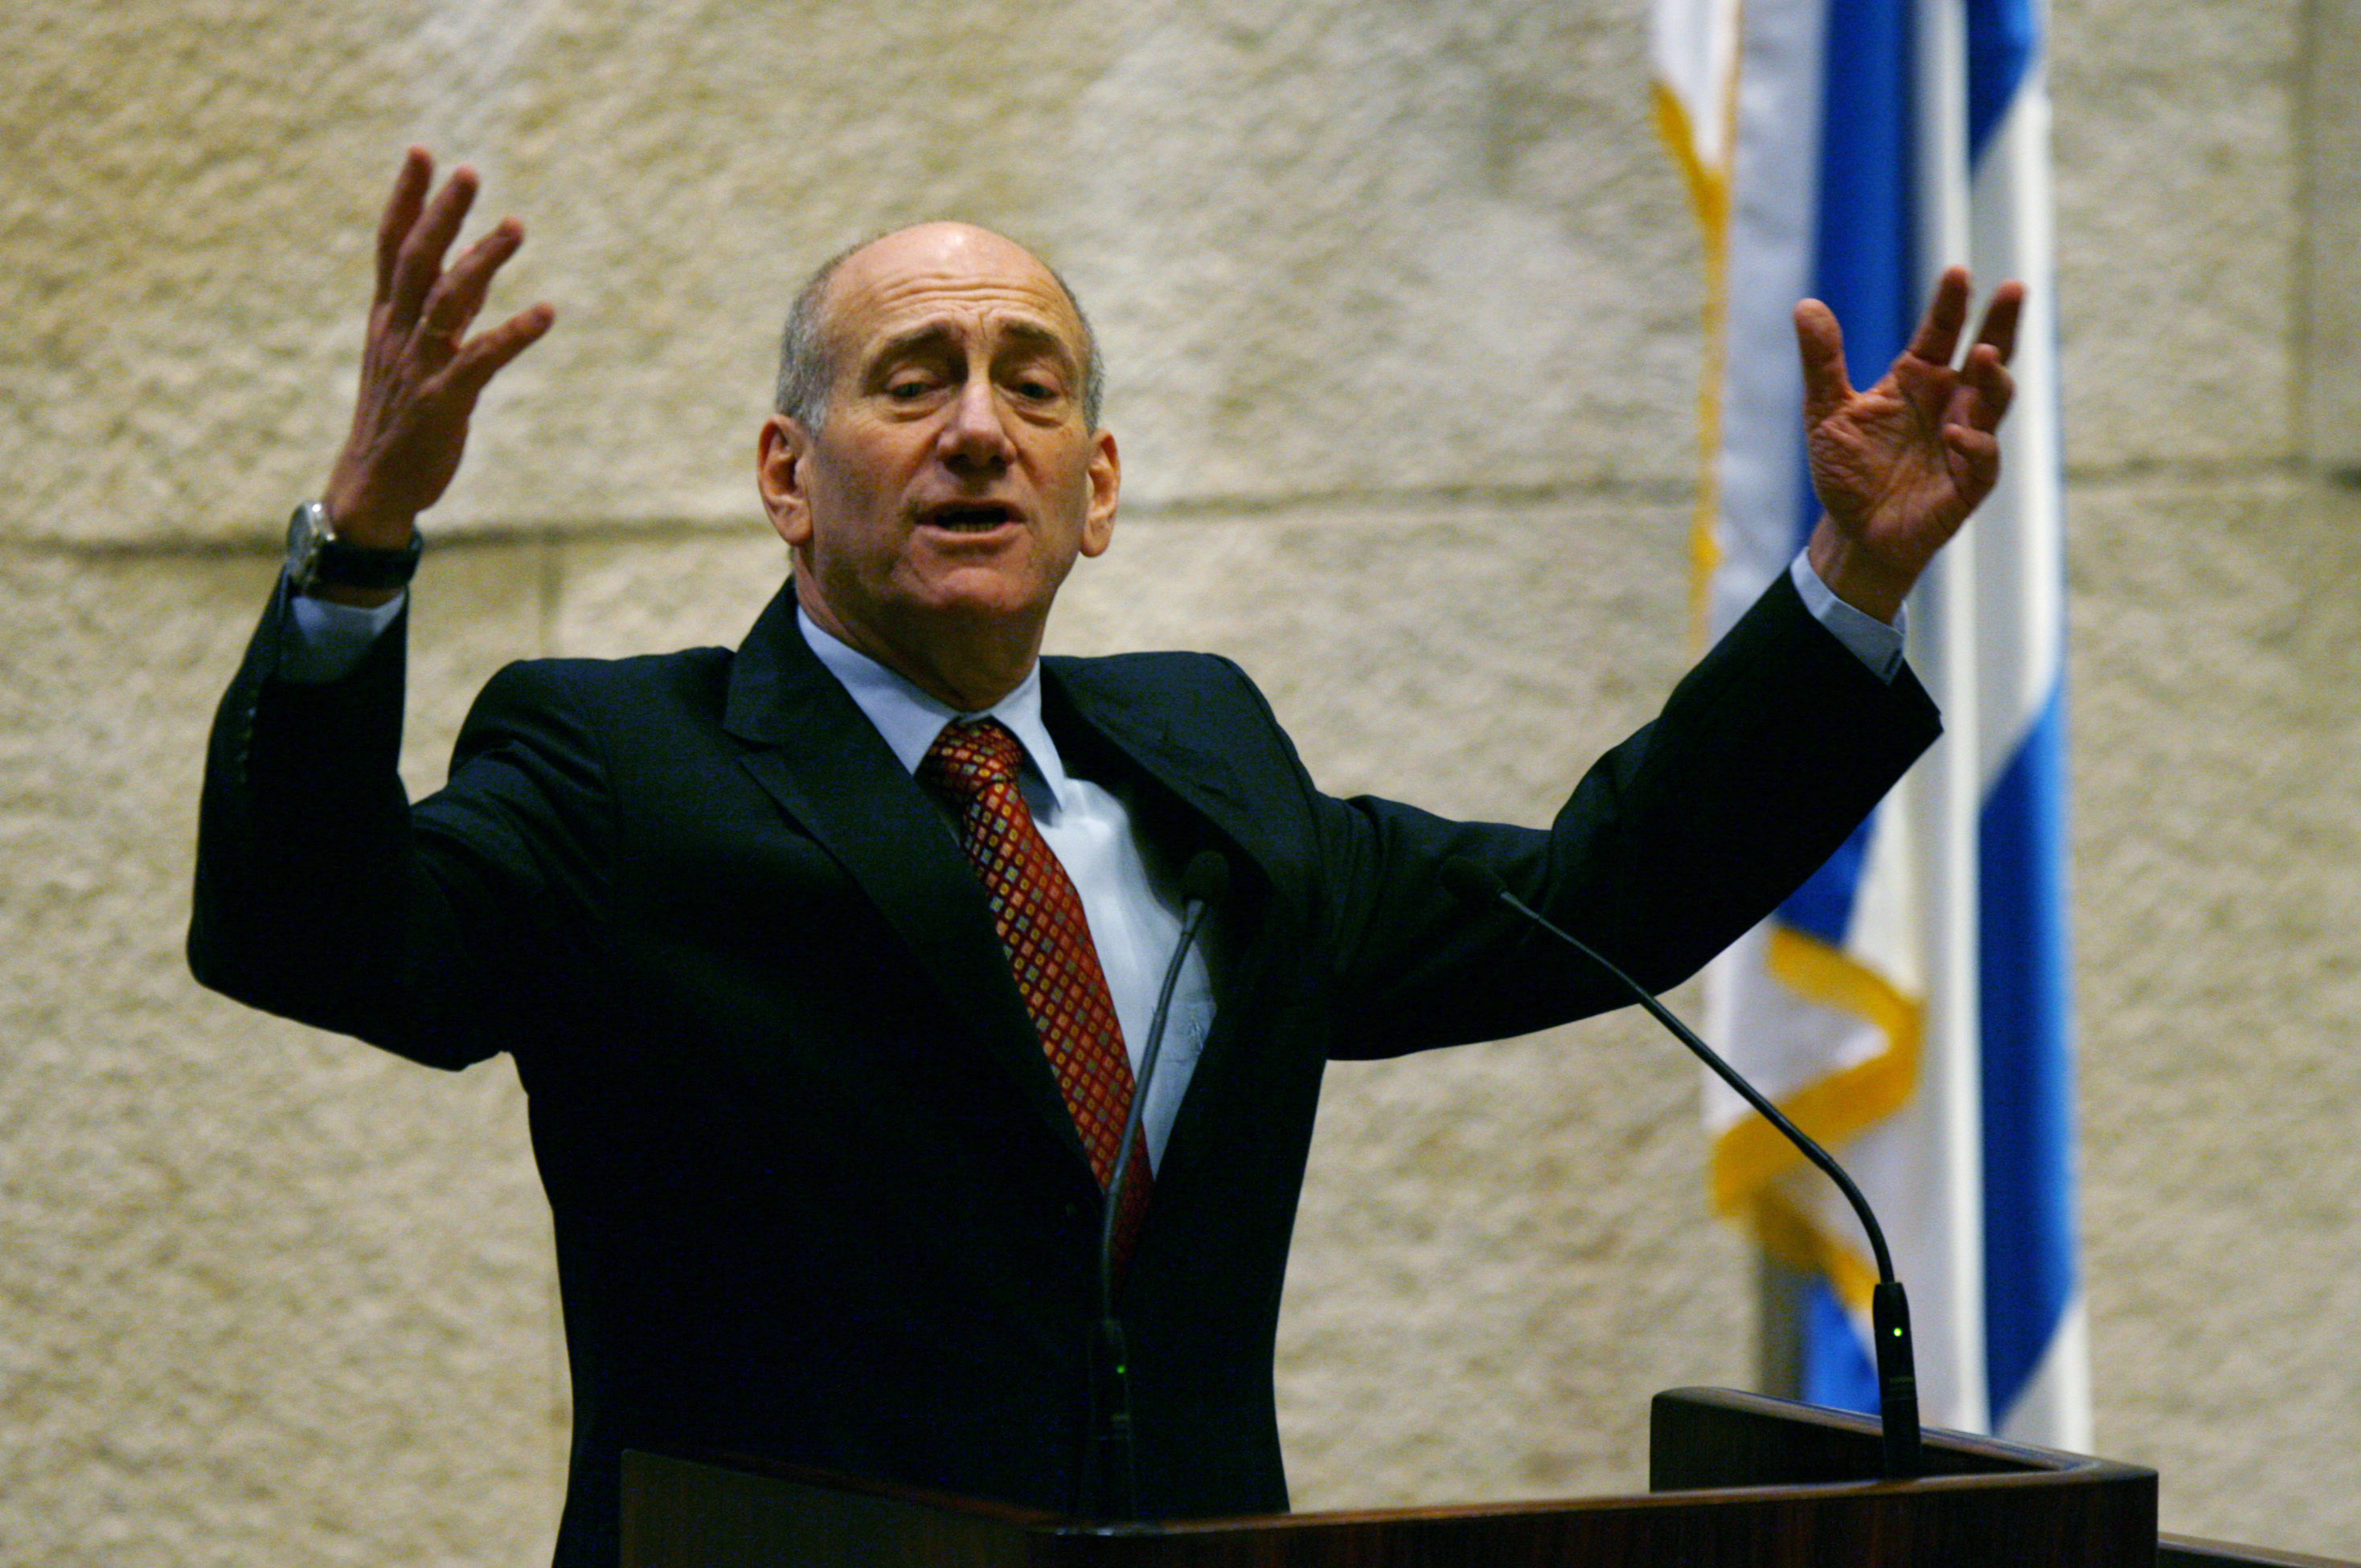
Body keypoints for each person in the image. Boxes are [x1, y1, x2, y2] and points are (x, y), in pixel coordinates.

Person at [190, 147, 2019, 1568]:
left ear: (1099, 488)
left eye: (1031, 385)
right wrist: (359, 540)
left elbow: (1594, 899)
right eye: (911, 379)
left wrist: (1847, 589)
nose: (979, 426)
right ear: (783, 474)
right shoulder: (620, 765)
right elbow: (318, 937)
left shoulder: (1203, 768)